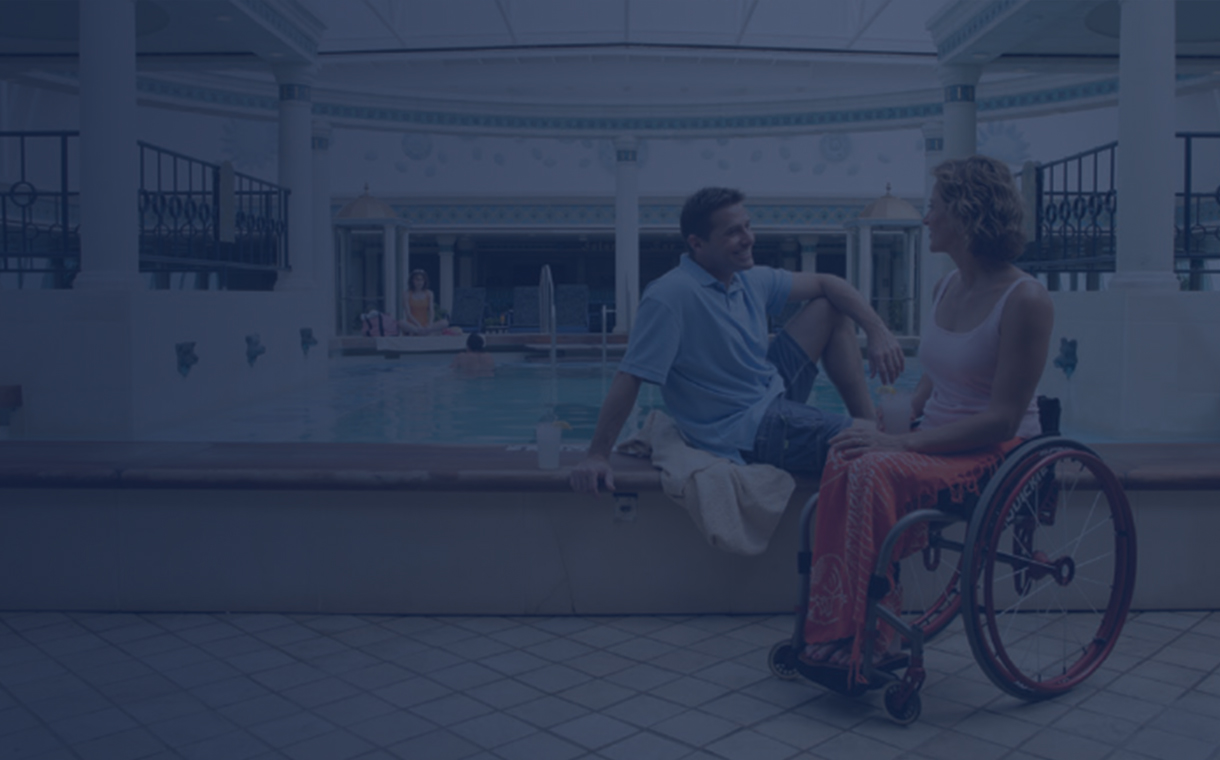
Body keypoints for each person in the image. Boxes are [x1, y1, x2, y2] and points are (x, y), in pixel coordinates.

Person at [800, 155, 1054, 684]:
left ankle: (871, 638)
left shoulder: (1025, 298)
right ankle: (835, 627)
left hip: (993, 454)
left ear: (965, 215)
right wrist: (894, 424)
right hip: (939, 441)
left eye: (934, 207)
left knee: (872, 468)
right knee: (848, 448)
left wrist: (901, 447)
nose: (926, 218)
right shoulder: (946, 286)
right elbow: (936, 378)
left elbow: (1003, 420)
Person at [570, 186, 905, 495]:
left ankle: (867, 421)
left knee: (832, 307)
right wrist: (598, 455)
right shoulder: (670, 296)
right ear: (697, 243)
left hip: (769, 390)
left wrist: (878, 331)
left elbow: (829, 282)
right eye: (733, 232)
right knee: (880, 449)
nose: (748, 239)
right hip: (743, 427)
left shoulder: (746, 278)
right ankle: (874, 433)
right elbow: (630, 376)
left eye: (747, 226)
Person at [401, 269, 450, 335]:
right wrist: (418, 325)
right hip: (413, 325)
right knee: (401, 322)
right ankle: (419, 331)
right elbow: (408, 313)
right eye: (417, 280)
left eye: (421, 280)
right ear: (412, 281)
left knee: (445, 322)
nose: (419, 282)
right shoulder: (406, 294)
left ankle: (425, 331)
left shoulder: (429, 293)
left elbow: (431, 311)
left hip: (426, 325)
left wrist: (430, 324)